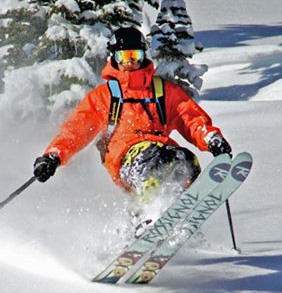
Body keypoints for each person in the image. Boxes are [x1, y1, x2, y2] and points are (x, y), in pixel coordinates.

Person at [33, 26, 232, 226]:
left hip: (161, 149)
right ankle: (150, 213)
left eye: (134, 56)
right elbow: (75, 131)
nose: (130, 63)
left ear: (143, 56)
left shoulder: (161, 91)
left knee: (185, 159)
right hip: (125, 158)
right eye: (124, 57)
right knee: (150, 161)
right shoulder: (105, 96)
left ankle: (171, 210)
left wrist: (210, 139)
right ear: (114, 58)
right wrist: (53, 156)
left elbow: (190, 118)